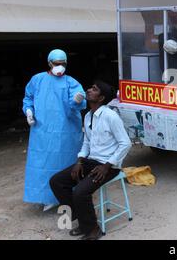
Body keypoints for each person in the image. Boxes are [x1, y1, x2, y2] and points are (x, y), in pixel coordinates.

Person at [50, 81, 132, 240]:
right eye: (91, 87)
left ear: (101, 98)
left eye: (94, 89)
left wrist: (107, 166)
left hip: (109, 166)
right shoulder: (88, 116)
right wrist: (80, 161)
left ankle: (93, 229)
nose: (89, 89)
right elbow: (87, 142)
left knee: (80, 192)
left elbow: (125, 143)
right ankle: (81, 218)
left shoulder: (111, 116)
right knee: (57, 181)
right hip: (90, 161)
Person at [22, 49, 86, 212]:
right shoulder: (37, 80)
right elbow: (28, 97)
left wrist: (78, 100)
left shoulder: (70, 82)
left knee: (65, 163)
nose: (60, 67)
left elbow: (78, 101)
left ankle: (65, 195)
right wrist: (28, 111)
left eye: (63, 64)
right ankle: (45, 197)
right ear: (50, 63)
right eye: (57, 64)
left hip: (66, 132)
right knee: (41, 163)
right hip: (42, 131)